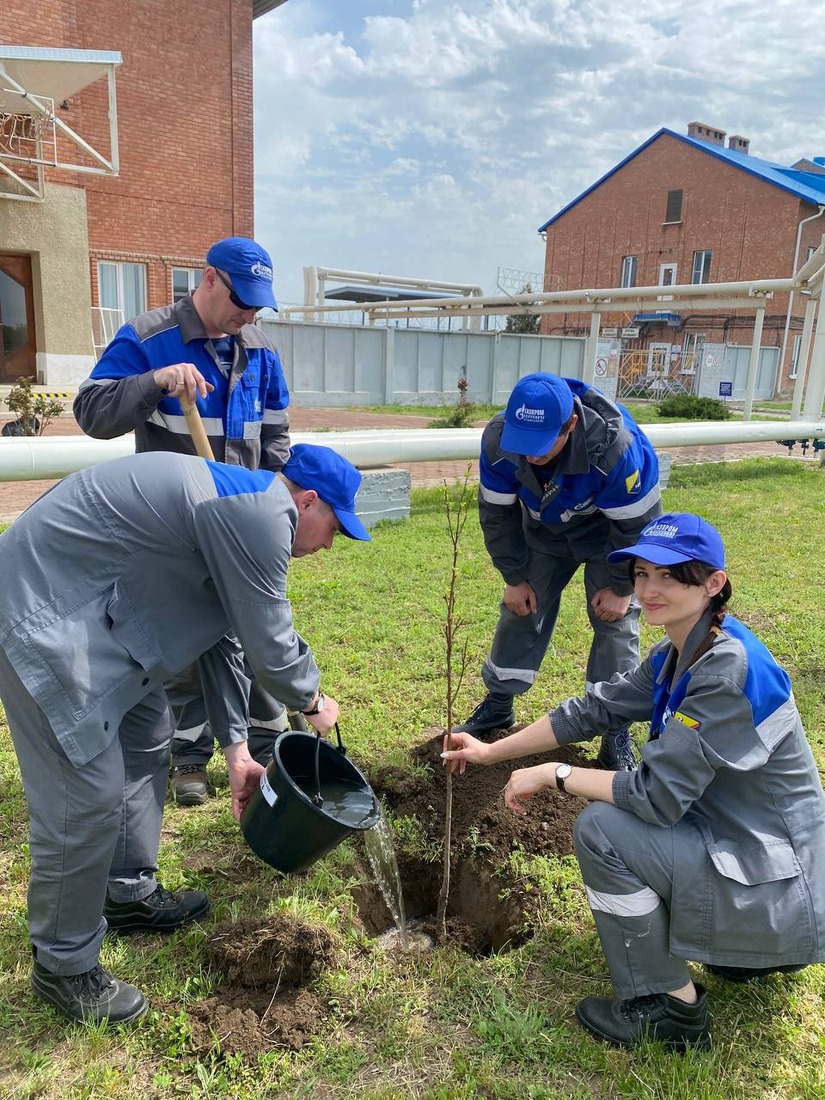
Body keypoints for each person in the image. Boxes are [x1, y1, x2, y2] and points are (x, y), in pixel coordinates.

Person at [0, 443, 371, 1025]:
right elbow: (271, 649)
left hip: (107, 617)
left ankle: (126, 891)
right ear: (308, 500)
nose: (328, 545)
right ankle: (63, 964)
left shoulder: (240, 511)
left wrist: (238, 750)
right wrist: (313, 699)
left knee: (149, 730)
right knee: (86, 797)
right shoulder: (260, 516)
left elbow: (224, 640)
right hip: (43, 613)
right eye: (333, 529)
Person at [443, 513, 825, 1052]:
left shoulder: (725, 670)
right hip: (763, 867)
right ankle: (738, 952)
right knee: (618, 814)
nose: (649, 589)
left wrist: (557, 773)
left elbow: (655, 796)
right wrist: (492, 752)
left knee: (603, 827)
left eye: (670, 575)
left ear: (714, 584)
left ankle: (671, 1011)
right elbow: (593, 709)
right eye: (643, 573)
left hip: (783, 892)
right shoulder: (686, 650)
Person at [74, 236, 294, 806]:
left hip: (240, 528)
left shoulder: (260, 350)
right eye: (241, 300)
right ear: (210, 279)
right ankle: (189, 756)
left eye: (257, 306)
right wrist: (153, 383)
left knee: (253, 631)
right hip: (171, 531)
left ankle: (268, 748)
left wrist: (270, 503)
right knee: (183, 644)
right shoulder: (150, 339)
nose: (248, 314)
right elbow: (91, 412)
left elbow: (275, 436)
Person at [454, 372, 662, 772]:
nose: (530, 454)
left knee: (615, 622)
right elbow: (496, 515)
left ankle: (614, 730)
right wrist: (513, 576)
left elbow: (636, 527)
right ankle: (499, 705)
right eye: (523, 443)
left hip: (611, 537)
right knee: (521, 607)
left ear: (570, 425)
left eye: (541, 443)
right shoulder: (499, 441)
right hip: (545, 530)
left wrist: (621, 586)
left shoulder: (617, 452)